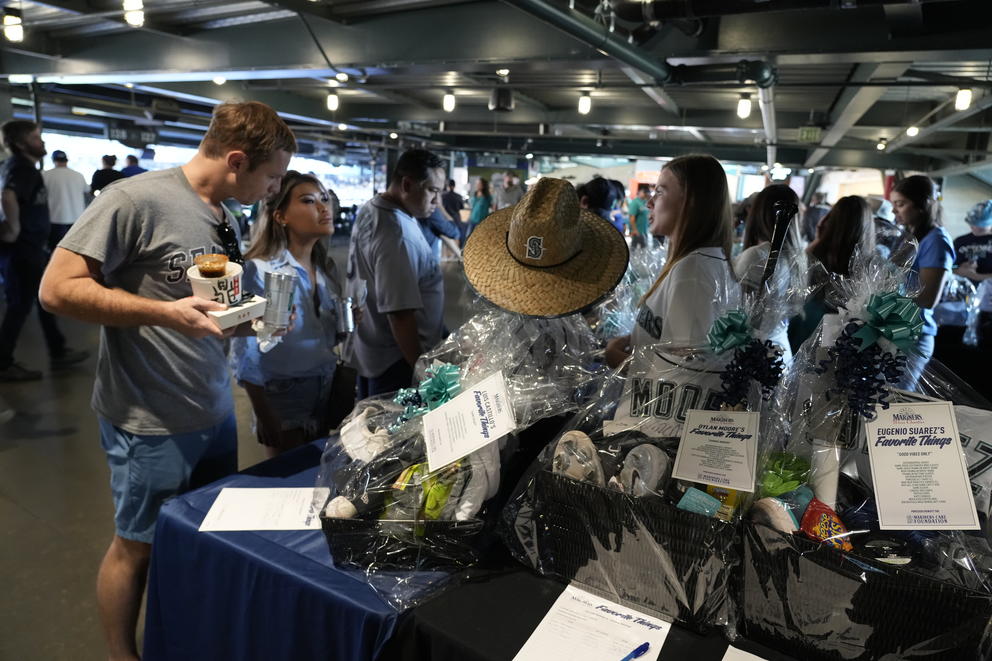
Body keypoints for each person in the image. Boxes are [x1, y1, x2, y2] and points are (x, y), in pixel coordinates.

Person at [39, 101, 296, 661]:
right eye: (272, 176)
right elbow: (57, 289)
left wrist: (254, 323)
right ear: (235, 159)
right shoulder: (134, 200)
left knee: (196, 538)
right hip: (149, 417)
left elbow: (209, 308)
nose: (276, 189)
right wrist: (163, 313)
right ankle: (120, 654)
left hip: (210, 408)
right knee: (136, 547)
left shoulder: (223, 212)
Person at [235, 172, 346, 458]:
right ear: (281, 216)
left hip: (324, 385)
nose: (324, 208)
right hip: (283, 392)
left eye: (325, 199)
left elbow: (324, 336)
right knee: (289, 483)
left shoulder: (325, 270)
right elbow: (245, 350)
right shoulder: (259, 271)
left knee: (316, 476)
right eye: (308, 201)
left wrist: (345, 323)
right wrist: (262, 411)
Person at [605, 154, 739, 367]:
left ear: (691, 200)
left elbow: (688, 373)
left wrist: (618, 361)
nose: (649, 203)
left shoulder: (693, 271)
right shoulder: (696, 262)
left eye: (659, 192)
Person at [347, 148, 445, 399]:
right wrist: (422, 375)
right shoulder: (396, 235)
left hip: (372, 351)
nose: (437, 201)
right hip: (396, 363)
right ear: (407, 184)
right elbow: (400, 315)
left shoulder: (373, 209)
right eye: (432, 191)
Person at [0, 121, 89, 381]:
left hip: (30, 248)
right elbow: (7, 195)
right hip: (23, 249)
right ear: (20, 143)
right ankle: (4, 363)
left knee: (44, 298)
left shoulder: (19, 167)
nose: (42, 142)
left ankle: (58, 349)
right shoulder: (22, 168)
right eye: (36, 137)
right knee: (20, 305)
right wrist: (14, 228)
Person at [788, 195, 876, 351]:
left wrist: (818, 240)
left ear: (830, 221)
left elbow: (795, 285)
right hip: (850, 337)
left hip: (808, 325)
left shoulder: (813, 257)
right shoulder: (875, 266)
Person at [891, 175, 955, 389]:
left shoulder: (936, 240)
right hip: (896, 331)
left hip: (913, 336)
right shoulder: (909, 235)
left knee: (895, 406)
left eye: (900, 204)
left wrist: (887, 295)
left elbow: (928, 299)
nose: (894, 211)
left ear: (923, 204)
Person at [735, 184, 807, 365]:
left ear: (757, 213)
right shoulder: (797, 257)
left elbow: (737, 313)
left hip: (752, 356)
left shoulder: (757, 256)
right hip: (781, 352)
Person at [953, 199, 992, 350]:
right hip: (962, 302)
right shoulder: (961, 241)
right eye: (972, 223)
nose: (974, 227)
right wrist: (960, 269)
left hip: (988, 306)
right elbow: (947, 269)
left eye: (980, 225)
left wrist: (975, 276)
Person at [42, 149, 90, 249]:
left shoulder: (45, 175)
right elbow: (87, 191)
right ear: (66, 160)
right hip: (76, 219)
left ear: (53, 160)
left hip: (54, 219)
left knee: (55, 250)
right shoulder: (78, 175)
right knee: (74, 250)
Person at [440, 179, 467, 246]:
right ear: (454, 186)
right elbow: (462, 208)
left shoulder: (443, 196)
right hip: (456, 218)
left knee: (445, 236)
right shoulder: (458, 196)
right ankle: (457, 251)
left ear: (448, 186)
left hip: (445, 218)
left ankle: (446, 254)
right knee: (456, 235)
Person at [626, 184, 651, 250]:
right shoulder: (635, 202)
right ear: (640, 192)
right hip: (637, 231)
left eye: (647, 192)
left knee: (644, 251)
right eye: (644, 192)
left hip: (644, 231)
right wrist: (634, 230)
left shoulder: (645, 202)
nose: (646, 193)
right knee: (634, 250)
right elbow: (632, 218)